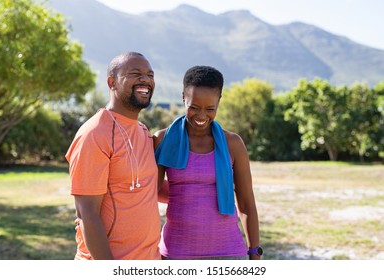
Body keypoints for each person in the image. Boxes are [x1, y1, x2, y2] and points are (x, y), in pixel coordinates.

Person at [154, 65, 261, 260]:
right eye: (194, 107)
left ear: (219, 101)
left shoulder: (233, 144)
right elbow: (149, 194)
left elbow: (246, 204)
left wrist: (255, 253)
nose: (202, 116)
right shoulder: (163, 140)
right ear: (183, 98)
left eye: (210, 109)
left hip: (228, 254)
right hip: (177, 253)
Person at [65, 52, 161, 260]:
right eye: (135, 73)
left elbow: (149, 189)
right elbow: (86, 214)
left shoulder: (143, 132)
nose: (145, 79)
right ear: (112, 82)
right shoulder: (94, 134)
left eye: (150, 75)